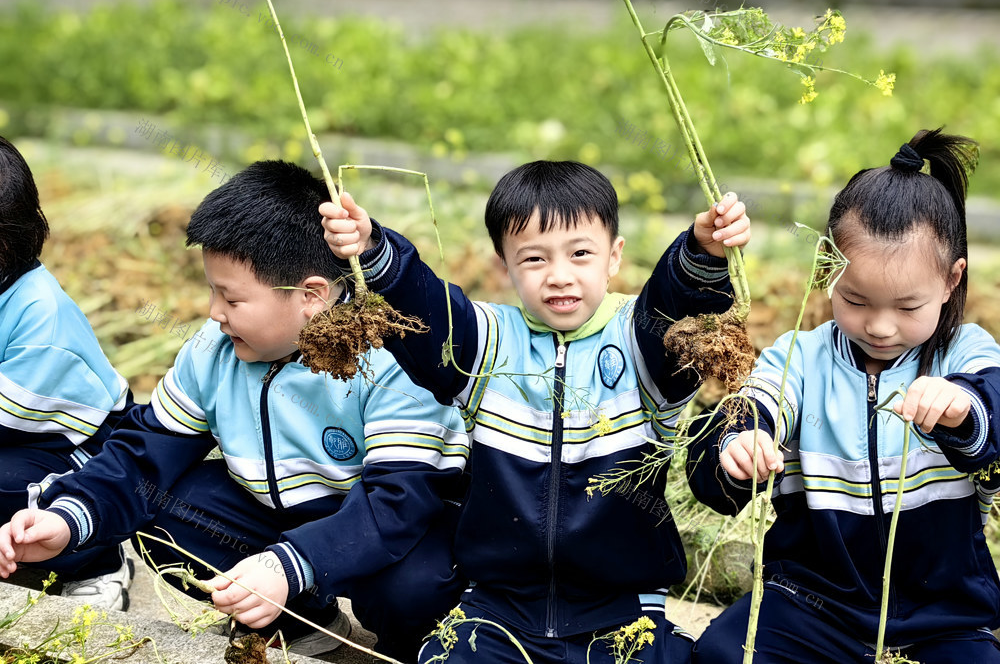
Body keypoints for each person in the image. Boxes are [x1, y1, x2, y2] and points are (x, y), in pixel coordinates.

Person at [0, 160, 469, 662]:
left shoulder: (391, 355)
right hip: (278, 520)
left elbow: (397, 501)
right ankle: (300, 621)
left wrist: (291, 564)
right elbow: (143, 454)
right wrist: (69, 518)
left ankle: (414, 648)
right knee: (163, 511)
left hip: (392, 530)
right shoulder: (215, 349)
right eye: (212, 290)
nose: (214, 312)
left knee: (412, 590)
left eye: (231, 298)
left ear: (311, 295)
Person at [320, 160, 751, 663]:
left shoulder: (641, 343)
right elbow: (427, 311)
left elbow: (676, 307)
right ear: (504, 265)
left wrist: (701, 256)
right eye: (533, 259)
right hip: (495, 611)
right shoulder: (486, 344)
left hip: (625, 614)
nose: (559, 276)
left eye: (581, 253)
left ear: (614, 256)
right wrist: (374, 251)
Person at [687, 128, 1000, 663]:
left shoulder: (965, 353)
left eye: (907, 307)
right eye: (855, 300)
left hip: (942, 618)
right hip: (810, 606)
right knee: (723, 653)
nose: (879, 326)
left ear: (952, 280)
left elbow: (992, 413)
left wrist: (961, 408)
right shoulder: (801, 358)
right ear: (828, 267)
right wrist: (737, 444)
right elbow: (751, 408)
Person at [0, 134, 134, 610]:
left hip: (81, 446)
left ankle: (96, 560)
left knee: (7, 487)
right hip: (23, 432)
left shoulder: (42, 315)